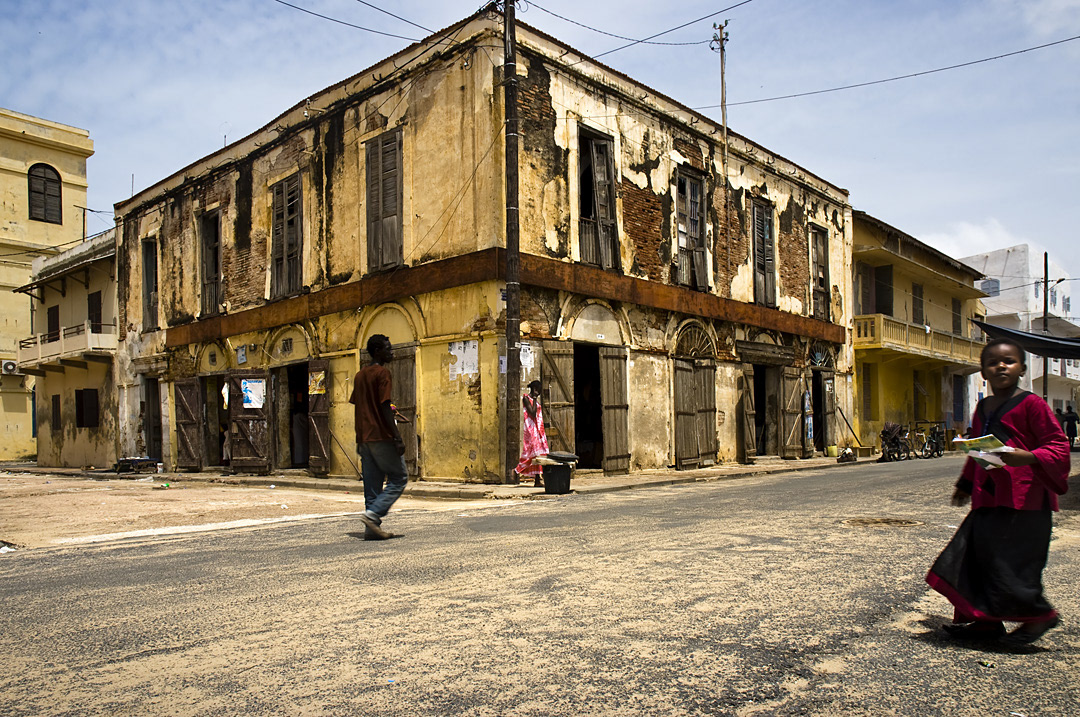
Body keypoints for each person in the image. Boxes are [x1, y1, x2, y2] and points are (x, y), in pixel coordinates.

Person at [926, 338, 1071, 646]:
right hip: (989, 498)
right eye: (993, 362)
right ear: (983, 372)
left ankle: (1038, 617)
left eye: (1009, 361)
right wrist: (966, 484)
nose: (1001, 366)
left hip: (1026, 502)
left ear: (1021, 368)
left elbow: (1058, 446)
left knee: (1013, 565)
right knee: (976, 557)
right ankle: (984, 622)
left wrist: (1029, 457)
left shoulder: (1032, 404)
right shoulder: (983, 407)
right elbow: (979, 450)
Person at [349, 334, 407, 540]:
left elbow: (360, 402)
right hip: (381, 435)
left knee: (372, 485)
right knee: (399, 478)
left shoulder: (359, 375)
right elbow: (383, 404)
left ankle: (370, 530)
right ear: (376, 352)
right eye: (387, 349)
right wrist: (397, 436)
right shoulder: (382, 373)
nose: (391, 352)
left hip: (363, 437)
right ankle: (372, 515)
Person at [514, 380, 549, 487]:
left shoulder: (536, 401)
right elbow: (532, 413)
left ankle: (537, 479)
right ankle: (516, 471)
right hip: (531, 430)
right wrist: (534, 398)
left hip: (538, 430)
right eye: (537, 390)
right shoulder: (526, 398)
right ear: (534, 389)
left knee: (539, 455)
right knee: (531, 454)